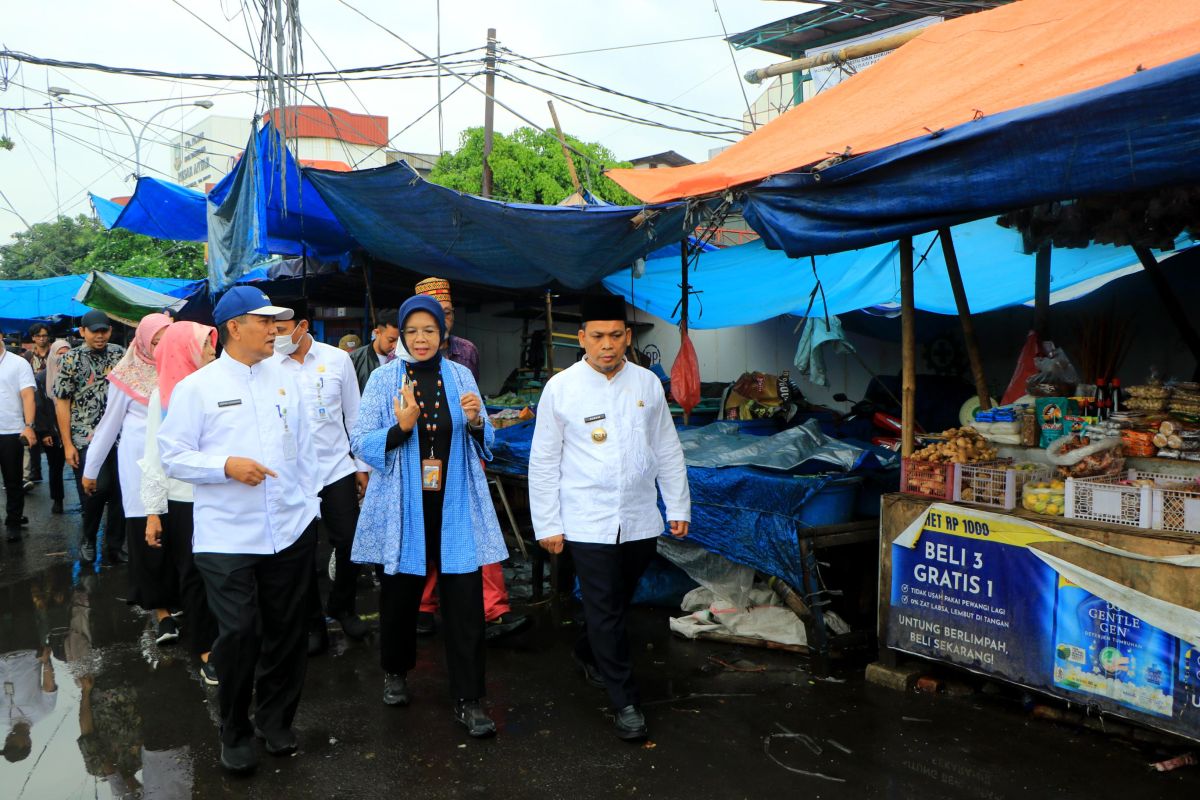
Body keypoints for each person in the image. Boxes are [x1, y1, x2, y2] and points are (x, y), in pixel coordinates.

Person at [158, 286, 321, 774]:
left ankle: (275, 721)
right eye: (265, 321)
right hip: (227, 536)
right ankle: (234, 727)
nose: (276, 330)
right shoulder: (197, 388)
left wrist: (309, 506)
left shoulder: (287, 380)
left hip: (290, 527)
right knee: (240, 631)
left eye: (277, 322)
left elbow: (306, 447)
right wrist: (225, 465)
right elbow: (173, 455)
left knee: (287, 633)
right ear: (234, 326)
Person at [527, 294, 691, 742]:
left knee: (615, 604)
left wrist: (677, 505)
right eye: (597, 336)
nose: (607, 345)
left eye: (615, 336)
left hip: (638, 517)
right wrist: (548, 524)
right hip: (586, 518)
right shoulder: (561, 388)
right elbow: (543, 461)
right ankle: (625, 701)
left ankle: (587, 652)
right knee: (603, 607)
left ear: (627, 336)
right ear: (581, 338)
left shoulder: (646, 384)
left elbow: (666, 449)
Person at [351, 296, 507, 738]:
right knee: (400, 597)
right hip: (404, 505)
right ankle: (396, 671)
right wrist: (400, 428)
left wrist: (477, 422)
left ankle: (470, 699)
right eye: (413, 331)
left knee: (464, 603)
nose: (421, 339)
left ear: (443, 335)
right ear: (401, 334)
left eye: (430, 331)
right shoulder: (383, 381)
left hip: (455, 502)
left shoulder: (460, 375)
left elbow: (485, 437)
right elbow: (360, 442)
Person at [413, 277, 529, 641]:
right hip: (421, 460)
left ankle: (494, 609)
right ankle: (423, 606)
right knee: (426, 530)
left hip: (463, 455)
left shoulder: (466, 352)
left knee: (478, 529)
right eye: (432, 315)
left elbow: (473, 405)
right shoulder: (399, 360)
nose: (441, 321)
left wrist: (477, 429)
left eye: (446, 313)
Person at [272, 301, 370, 654]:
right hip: (293, 475)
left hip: (335, 468)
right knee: (303, 552)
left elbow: (354, 414)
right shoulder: (268, 366)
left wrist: (362, 465)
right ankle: (312, 623)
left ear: (302, 326)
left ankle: (342, 607)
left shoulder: (337, 359)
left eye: (281, 329)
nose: (275, 336)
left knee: (349, 542)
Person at [82, 312, 177, 643]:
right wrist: (91, 469)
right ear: (143, 341)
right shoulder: (127, 375)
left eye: (167, 336)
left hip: (177, 466)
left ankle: (176, 598)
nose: (161, 344)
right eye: (155, 339)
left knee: (177, 531)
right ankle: (160, 609)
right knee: (146, 534)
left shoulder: (182, 368)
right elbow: (109, 425)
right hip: (138, 464)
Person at [141, 321, 221, 685]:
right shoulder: (163, 394)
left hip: (222, 491)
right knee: (193, 574)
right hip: (183, 499)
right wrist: (153, 514)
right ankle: (205, 649)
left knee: (226, 570)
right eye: (205, 347)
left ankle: (229, 639)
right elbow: (154, 457)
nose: (212, 353)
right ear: (184, 350)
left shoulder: (220, 386)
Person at [54, 309, 126, 564]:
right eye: (94, 331)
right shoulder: (70, 359)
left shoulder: (120, 354)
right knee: (97, 487)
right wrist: (67, 444)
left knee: (120, 491)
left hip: (119, 436)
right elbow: (61, 402)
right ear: (82, 332)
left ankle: (115, 546)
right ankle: (88, 538)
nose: (100, 335)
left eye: (104, 330)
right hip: (85, 437)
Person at [0, 336, 37, 541]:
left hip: (11, 431)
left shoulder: (18, 363)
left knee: (13, 480)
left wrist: (29, 426)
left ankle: (13, 520)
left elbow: (28, 396)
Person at [38, 339, 71, 514]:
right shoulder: (42, 378)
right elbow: (40, 407)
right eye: (60, 354)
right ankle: (57, 500)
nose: (64, 358)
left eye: (67, 353)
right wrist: (44, 432)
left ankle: (87, 500)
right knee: (55, 467)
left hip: (75, 430)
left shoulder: (77, 373)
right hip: (53, 431)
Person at [21, 323, 51, 488]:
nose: (42, 338)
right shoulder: (27, 357)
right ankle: (34, 472)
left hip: (51, 400)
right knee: (32, 434)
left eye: (44, 335)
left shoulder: (55, 354)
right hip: (32, 400)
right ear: (33, 338)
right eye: (38, 336)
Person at [349, 309, 400, 392]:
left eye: (400, 341)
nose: (395, 346)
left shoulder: (405, 360)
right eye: (391, 340)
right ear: (377, 333)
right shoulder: (354, 359)